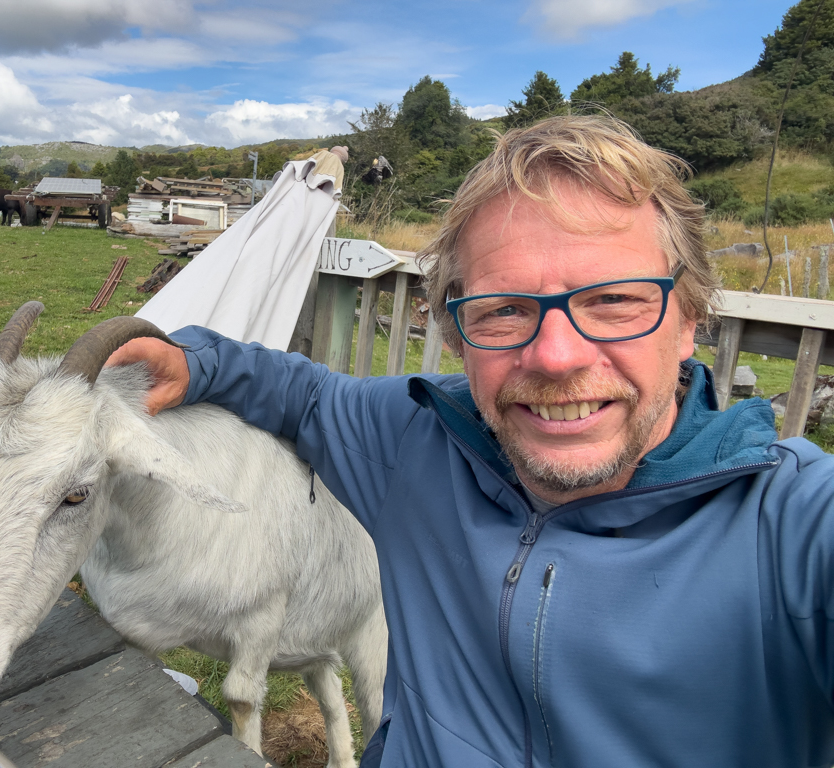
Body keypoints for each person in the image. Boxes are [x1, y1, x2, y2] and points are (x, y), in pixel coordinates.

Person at [105, 116, 834, 767]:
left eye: (613, 301)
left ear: (688, 320)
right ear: (455, 332)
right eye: (504, 310)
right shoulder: (418, 434)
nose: (555, 356)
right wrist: (195, 358)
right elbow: (305, 393)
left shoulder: (793, 532)